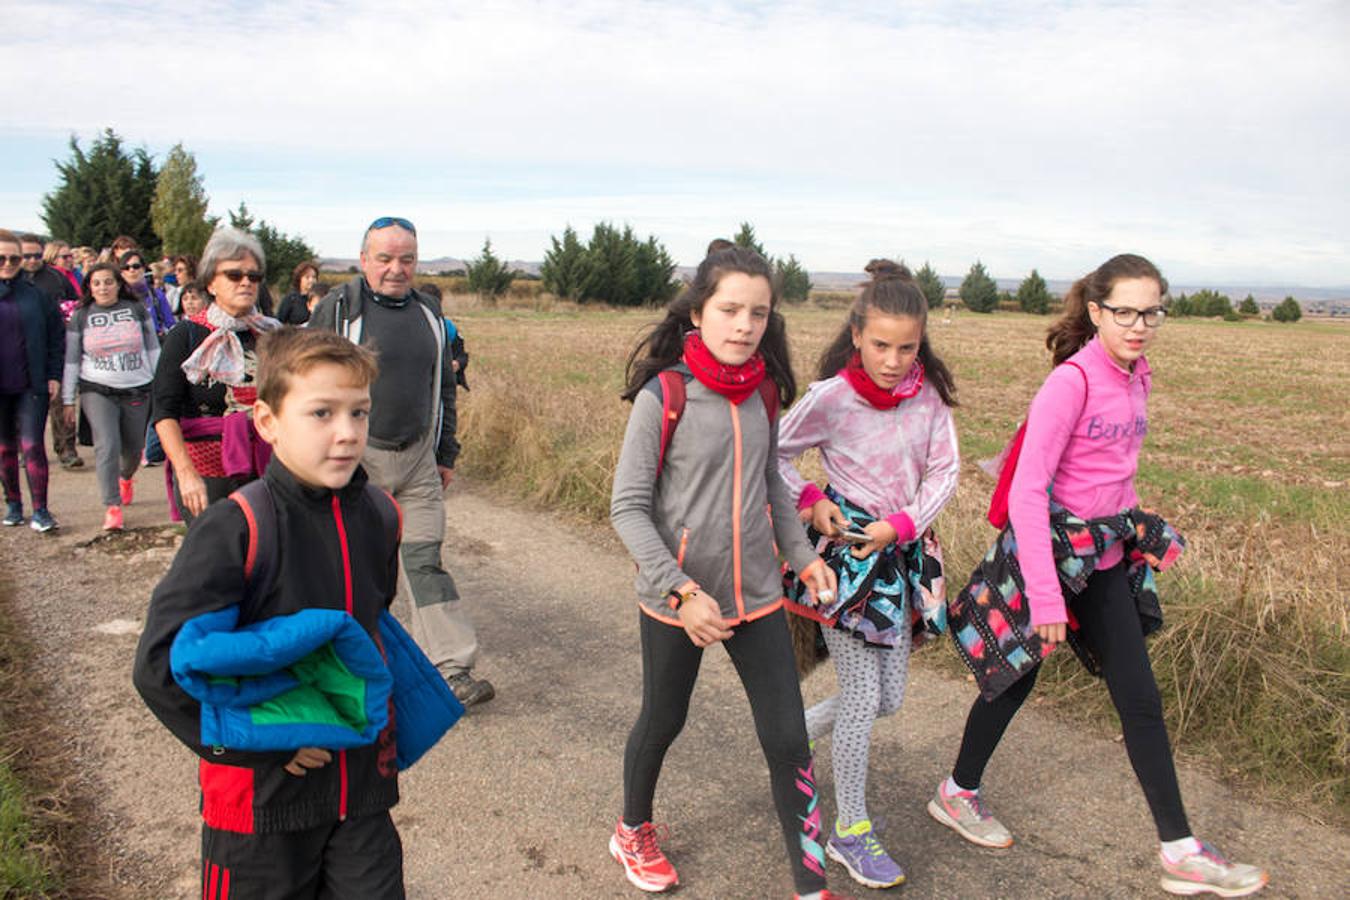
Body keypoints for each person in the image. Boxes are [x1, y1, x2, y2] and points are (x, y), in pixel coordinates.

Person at [931, 254, 1268, 897]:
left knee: (1138, 698)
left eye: (1152, 311)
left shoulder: (1138, 376)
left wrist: (1131, 528)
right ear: (1095, 312)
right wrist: (1048, 597)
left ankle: (1180, 850)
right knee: (1013, 680)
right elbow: (1029, 492)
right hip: (1049, 560)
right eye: (1125, 312)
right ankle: (957, 792)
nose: (1139, 325)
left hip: (1107, 560)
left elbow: (1116, 470)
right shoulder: (1072, 383)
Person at [133, 327, 408, 899]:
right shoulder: (235, 526)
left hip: (360, 796)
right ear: (267, 422)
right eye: (321, 413)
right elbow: (159, 668)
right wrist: (265, 742)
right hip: (260, 808)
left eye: (359, 413)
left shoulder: (380, 515)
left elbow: (373, 629)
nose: (347, 433)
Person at [609, 244, 844, 899]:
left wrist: (801, 557)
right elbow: (626, 509)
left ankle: (811, 885)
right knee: (663, 720)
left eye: (758, 313)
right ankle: (632, 828)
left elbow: (770, 482)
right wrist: (681, 592)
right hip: (678, 600)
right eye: (730, 309)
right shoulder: (667, 395)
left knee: (789, 742)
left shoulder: (764, 391)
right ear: (699, 312)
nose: (744, 325)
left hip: (759, 597)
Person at [776, 259, 960, 889]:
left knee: (890, 698)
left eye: (907, 347)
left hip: (902, 555)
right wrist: (809, 501)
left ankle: (786, 739)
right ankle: (850, 832)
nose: (893, 359)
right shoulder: (831, 397)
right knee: (860, 697)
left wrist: (904, 524)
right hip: (848, 562)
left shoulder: (929, 398)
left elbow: (946, 472)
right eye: (880, 344)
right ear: (856, 334)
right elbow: (774, 453)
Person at [309, 217, 494, 708]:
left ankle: (451, 669)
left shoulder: (430, 314)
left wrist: (444, 453)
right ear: (364, 258)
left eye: (406, 259)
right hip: (353, 461)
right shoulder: (340, 308)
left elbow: (445, 389)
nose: (396, 269)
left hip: (417, 462)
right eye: (385, 258)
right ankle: (337, 672)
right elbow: (302, 380)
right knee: (348, 566)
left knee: (424, 561)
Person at [152, 227, 278, 522]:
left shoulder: (273, 334)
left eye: (254, 276)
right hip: (205, 471)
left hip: (266, 466)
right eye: (234, 275)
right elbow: (163, 411)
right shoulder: (186, 335)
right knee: (217, 559)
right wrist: (185, 474)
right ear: (211, 283)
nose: (246, 282)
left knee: (267, 557)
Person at [62, 262, 161, 530]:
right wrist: (68, 398)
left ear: (119, 284)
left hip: (137, 387)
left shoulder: (137, 310)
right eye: (96, 283)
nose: (103, 287)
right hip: (96, 387)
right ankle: (112, 506)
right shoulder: (81, 315)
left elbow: (153, 349)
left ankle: (125, 478)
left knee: (132, 449)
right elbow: (71, 360)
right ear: (89, 287)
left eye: (108, 282)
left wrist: (161, 384)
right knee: (107, 443)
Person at [0, 229, 63, 532]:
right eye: (2, 258)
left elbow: (55, 337)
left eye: (15, 258)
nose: (9, 263)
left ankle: (41, 510)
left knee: (33, 445)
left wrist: (53, 375)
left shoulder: (36, 295)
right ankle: (13, 503)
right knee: (4, 448)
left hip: (31, 384)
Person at [19, 234, 84, 469]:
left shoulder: (55, 277)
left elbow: (76, 303)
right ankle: (25, 450)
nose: (32, 260)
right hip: (19, 353)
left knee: (60, 401)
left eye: (37, 255)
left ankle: (66, 449)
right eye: (27, 256)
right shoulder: (11, 280)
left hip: (53, 347)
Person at [419, 283, 469, 390]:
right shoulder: (409, 327)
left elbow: (462, 355)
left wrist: (457, 364)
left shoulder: (448, 327)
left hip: (443, 386)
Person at [119, 249, 175, 338]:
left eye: (136, 266)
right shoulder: (117, 297)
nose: (131, 270)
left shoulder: (156, 294)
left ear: (144, 269)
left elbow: (171, 325)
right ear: (121, 272)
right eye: (126, 267)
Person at [276, 260, 321, 325]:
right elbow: (279, 322)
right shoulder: (291, 299)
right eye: (307, 277)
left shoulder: (319, 298)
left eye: (314, 277)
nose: (311, 280)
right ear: (299, 279)